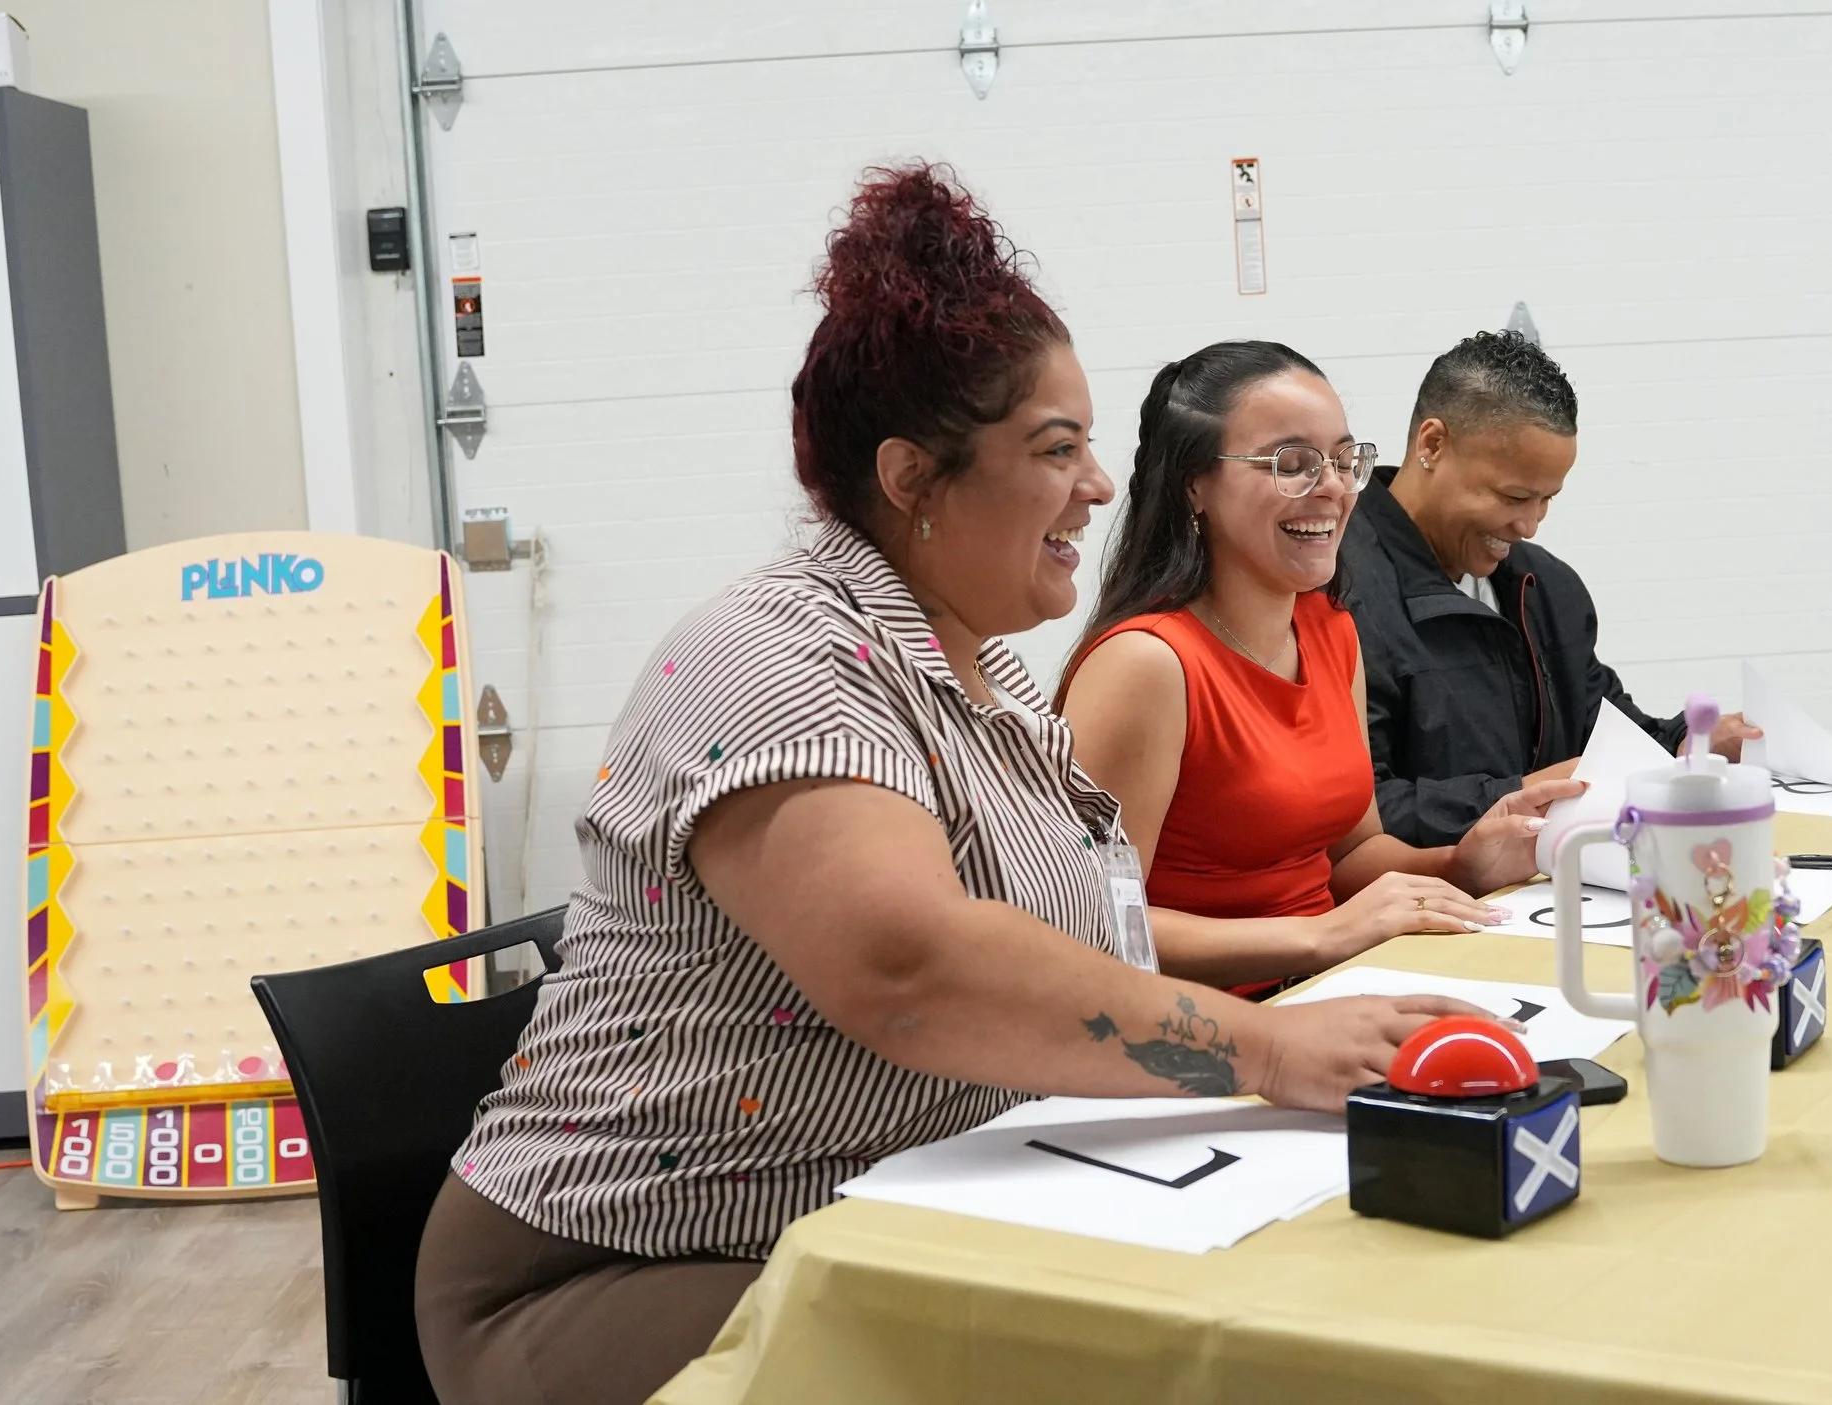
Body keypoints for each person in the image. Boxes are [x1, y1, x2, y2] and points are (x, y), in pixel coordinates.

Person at [413, 169, 1502, 1405]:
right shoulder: (778, 655)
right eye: (1055, 450)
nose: (1097, 487)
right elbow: (911, 970)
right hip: (629, 1260)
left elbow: (1091, 932)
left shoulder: (986, 675)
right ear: (911, 478)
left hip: (897, 1182)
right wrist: (1263, 1046)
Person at [1059, 341, 1581, 997]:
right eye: (1294, 463)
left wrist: (1461, 862)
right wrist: (1322, 935)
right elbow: (1091, 926)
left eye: (1342, 459)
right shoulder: (1146, 664)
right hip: (1206, 1027)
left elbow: (1351, 855)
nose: (1333, 487)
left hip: (1326, 987)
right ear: (1195, 483)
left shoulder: (1332, 632)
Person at [1339, 330, 1760, 848]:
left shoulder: (1546, 587)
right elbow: (1358, 814)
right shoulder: (1339, 590)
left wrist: (1684, 744)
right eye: (1513, 496)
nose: (1530, 525)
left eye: (1547, 499)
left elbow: (1600, 729)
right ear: (1432, 445)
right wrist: (1527, 793)